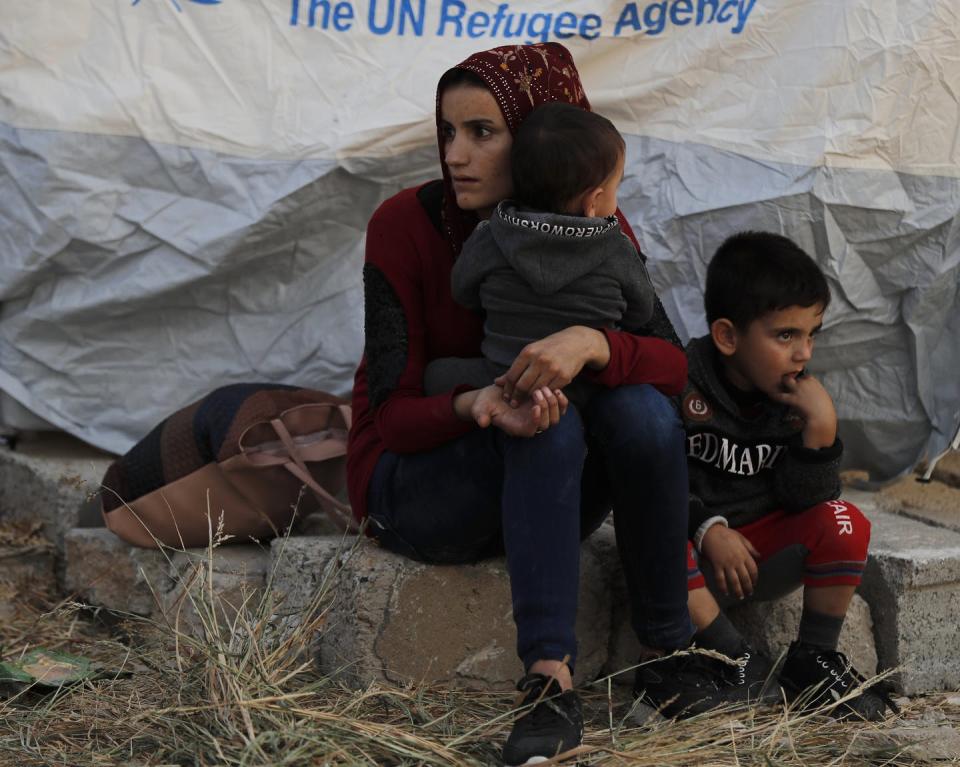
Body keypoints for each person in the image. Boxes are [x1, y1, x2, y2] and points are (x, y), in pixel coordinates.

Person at [346, 43, 728, 765]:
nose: (456, 154)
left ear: (539, 137)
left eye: (483, 133)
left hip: (541, 487)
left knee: (638, 411)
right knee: (543, 423)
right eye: (448, 132)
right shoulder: (403, 225)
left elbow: (677, 369)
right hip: (415, 486)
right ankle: (548, 681)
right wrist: (482, 400)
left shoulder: (597, 223)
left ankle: (665, 653)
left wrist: (593, 341)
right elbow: (390, 418)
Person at [677, 231, 897, 720]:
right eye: (785, 336)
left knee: (845, 520)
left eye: (811, 333)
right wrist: (706, 529)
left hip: (760, 556)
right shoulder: (681, 381)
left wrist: (820, 432)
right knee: (649, 526)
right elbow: (653, 484)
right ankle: (732, 657)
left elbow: (808, 503)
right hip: (692, 560)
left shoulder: (795, 398)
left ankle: (812, 659)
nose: (804, 353)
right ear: (728, 336)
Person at [422, 101, 655, 409]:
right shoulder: (617, 247)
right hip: (587, 385)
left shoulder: (491, 235)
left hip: (503, 381)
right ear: (593, 202)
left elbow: (462, 291)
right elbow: (642, 312)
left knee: (434, 374)